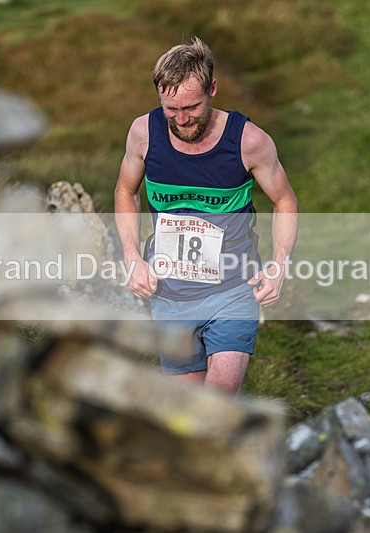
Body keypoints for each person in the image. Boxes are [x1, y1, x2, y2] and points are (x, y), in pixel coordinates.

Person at [114, 37, 298, 396]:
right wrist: (132, 257)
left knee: (215, 404)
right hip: (169, 293)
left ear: (212, 89)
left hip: (233, 290)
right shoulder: (142, 134)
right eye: (170, 109)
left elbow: (285, 200)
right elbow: (125, 191)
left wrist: (279, 264)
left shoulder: (249, 141)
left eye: (192, 107)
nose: (181, 120)